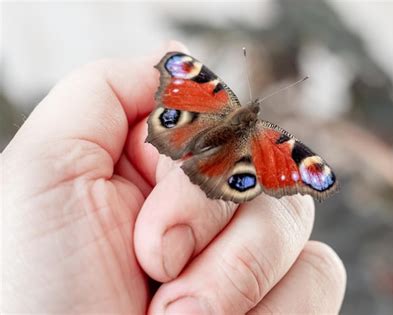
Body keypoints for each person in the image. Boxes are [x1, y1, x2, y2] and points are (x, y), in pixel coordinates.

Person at [2, 41, 346, 314]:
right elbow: (176, 63)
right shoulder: (274, 141)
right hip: (224, 163)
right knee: (236, 182)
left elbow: (182, 65)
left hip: (194, 130)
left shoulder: (220, 96)